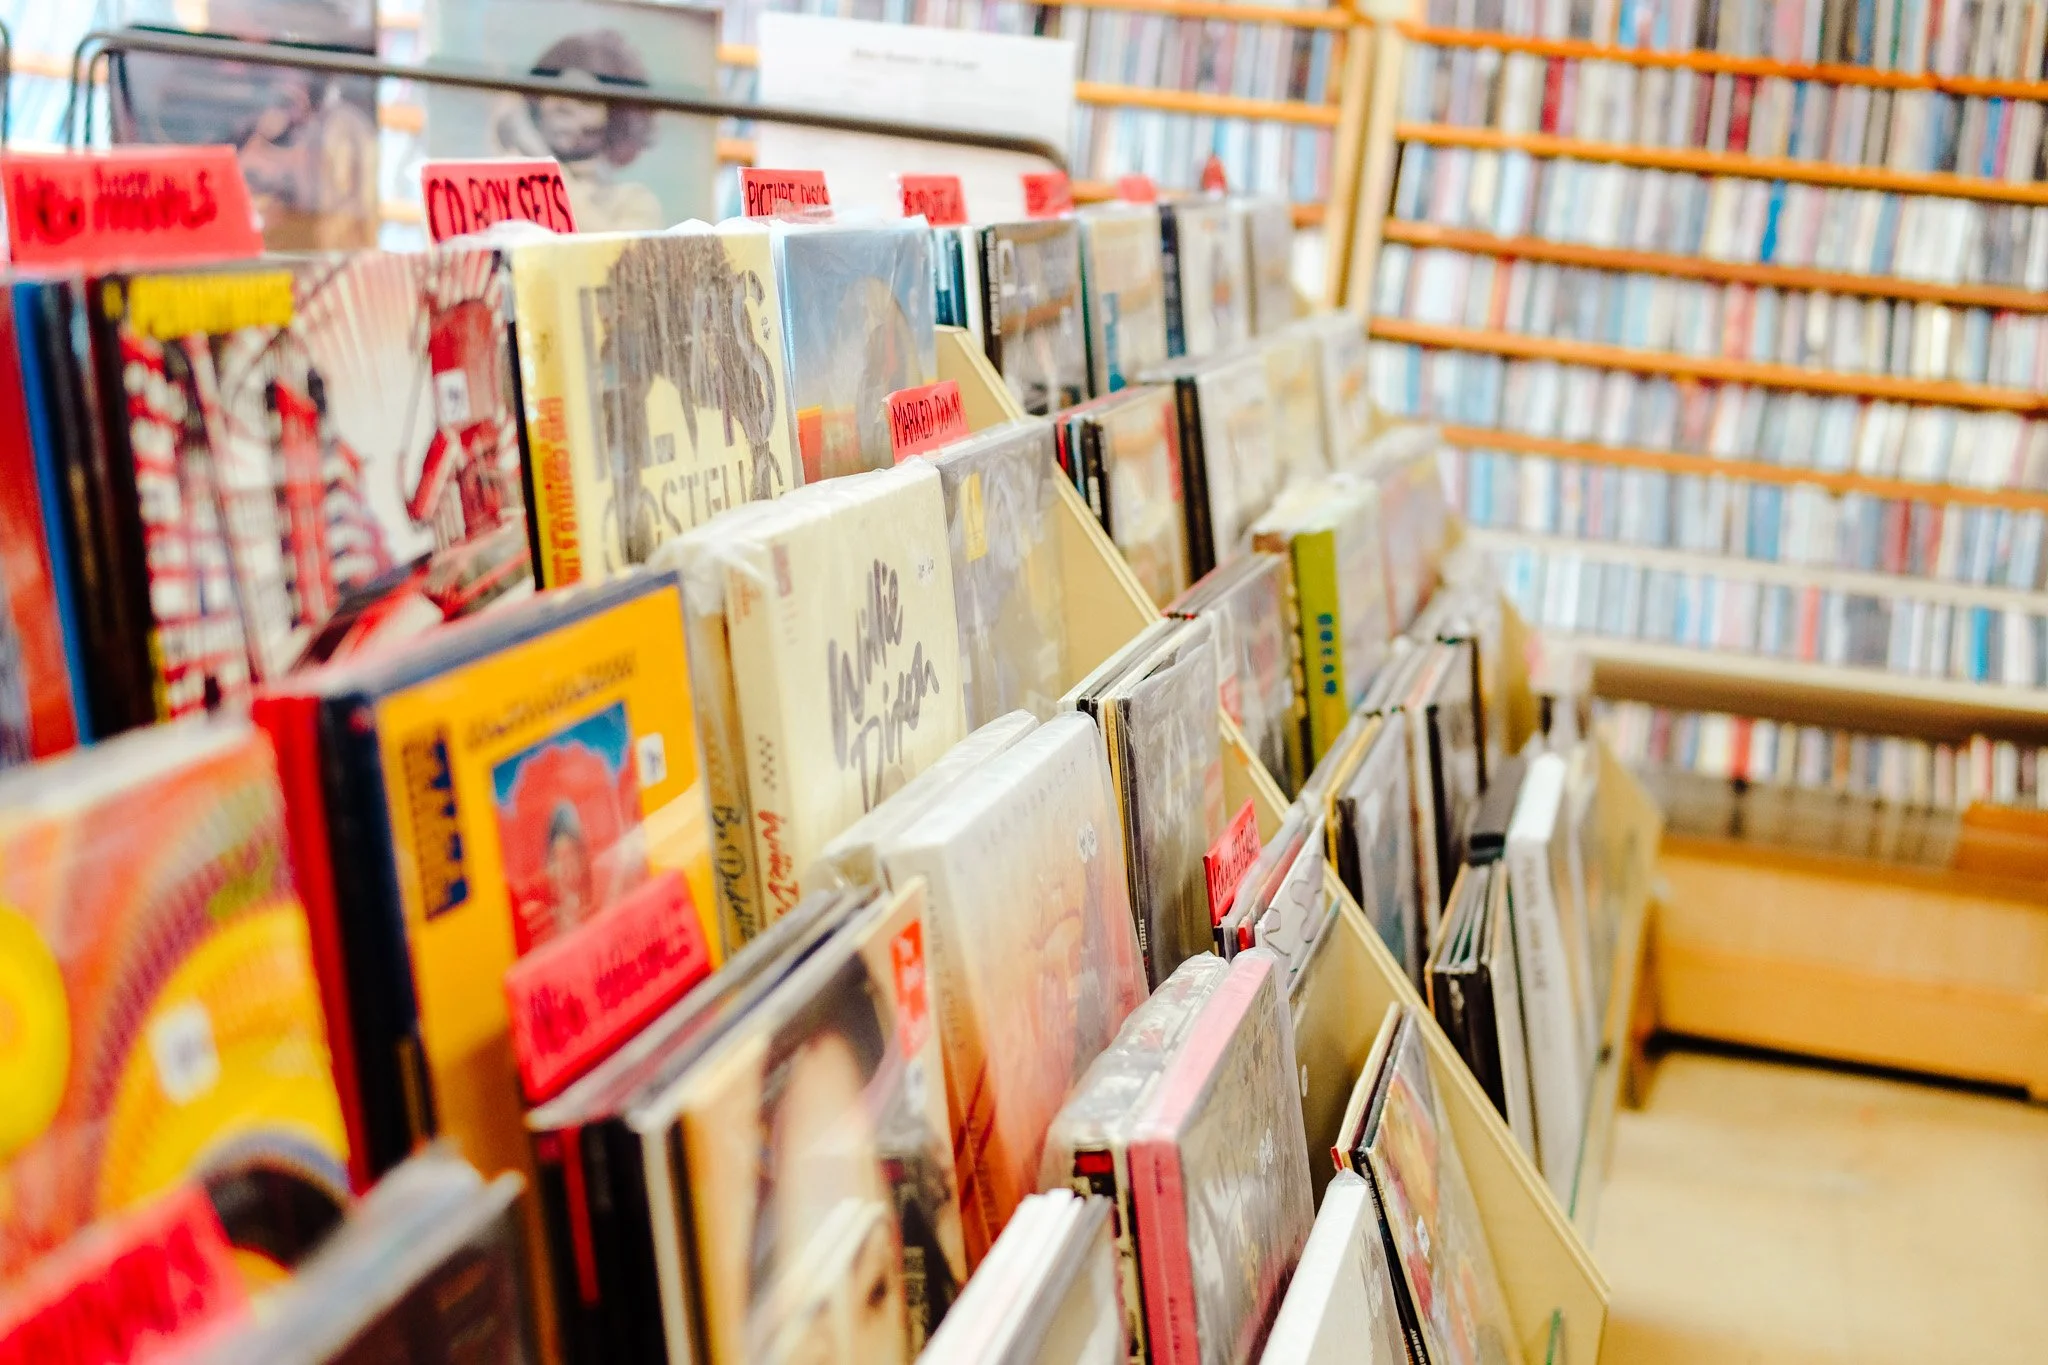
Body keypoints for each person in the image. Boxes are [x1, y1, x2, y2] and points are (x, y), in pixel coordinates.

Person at [488, 32, 665, 231]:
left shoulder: (634, 203)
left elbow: (608, 253)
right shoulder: (506, 185)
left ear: (614, 123)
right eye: (556, 91)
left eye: (586, 101)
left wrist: (541, 160)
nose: (565, 106)